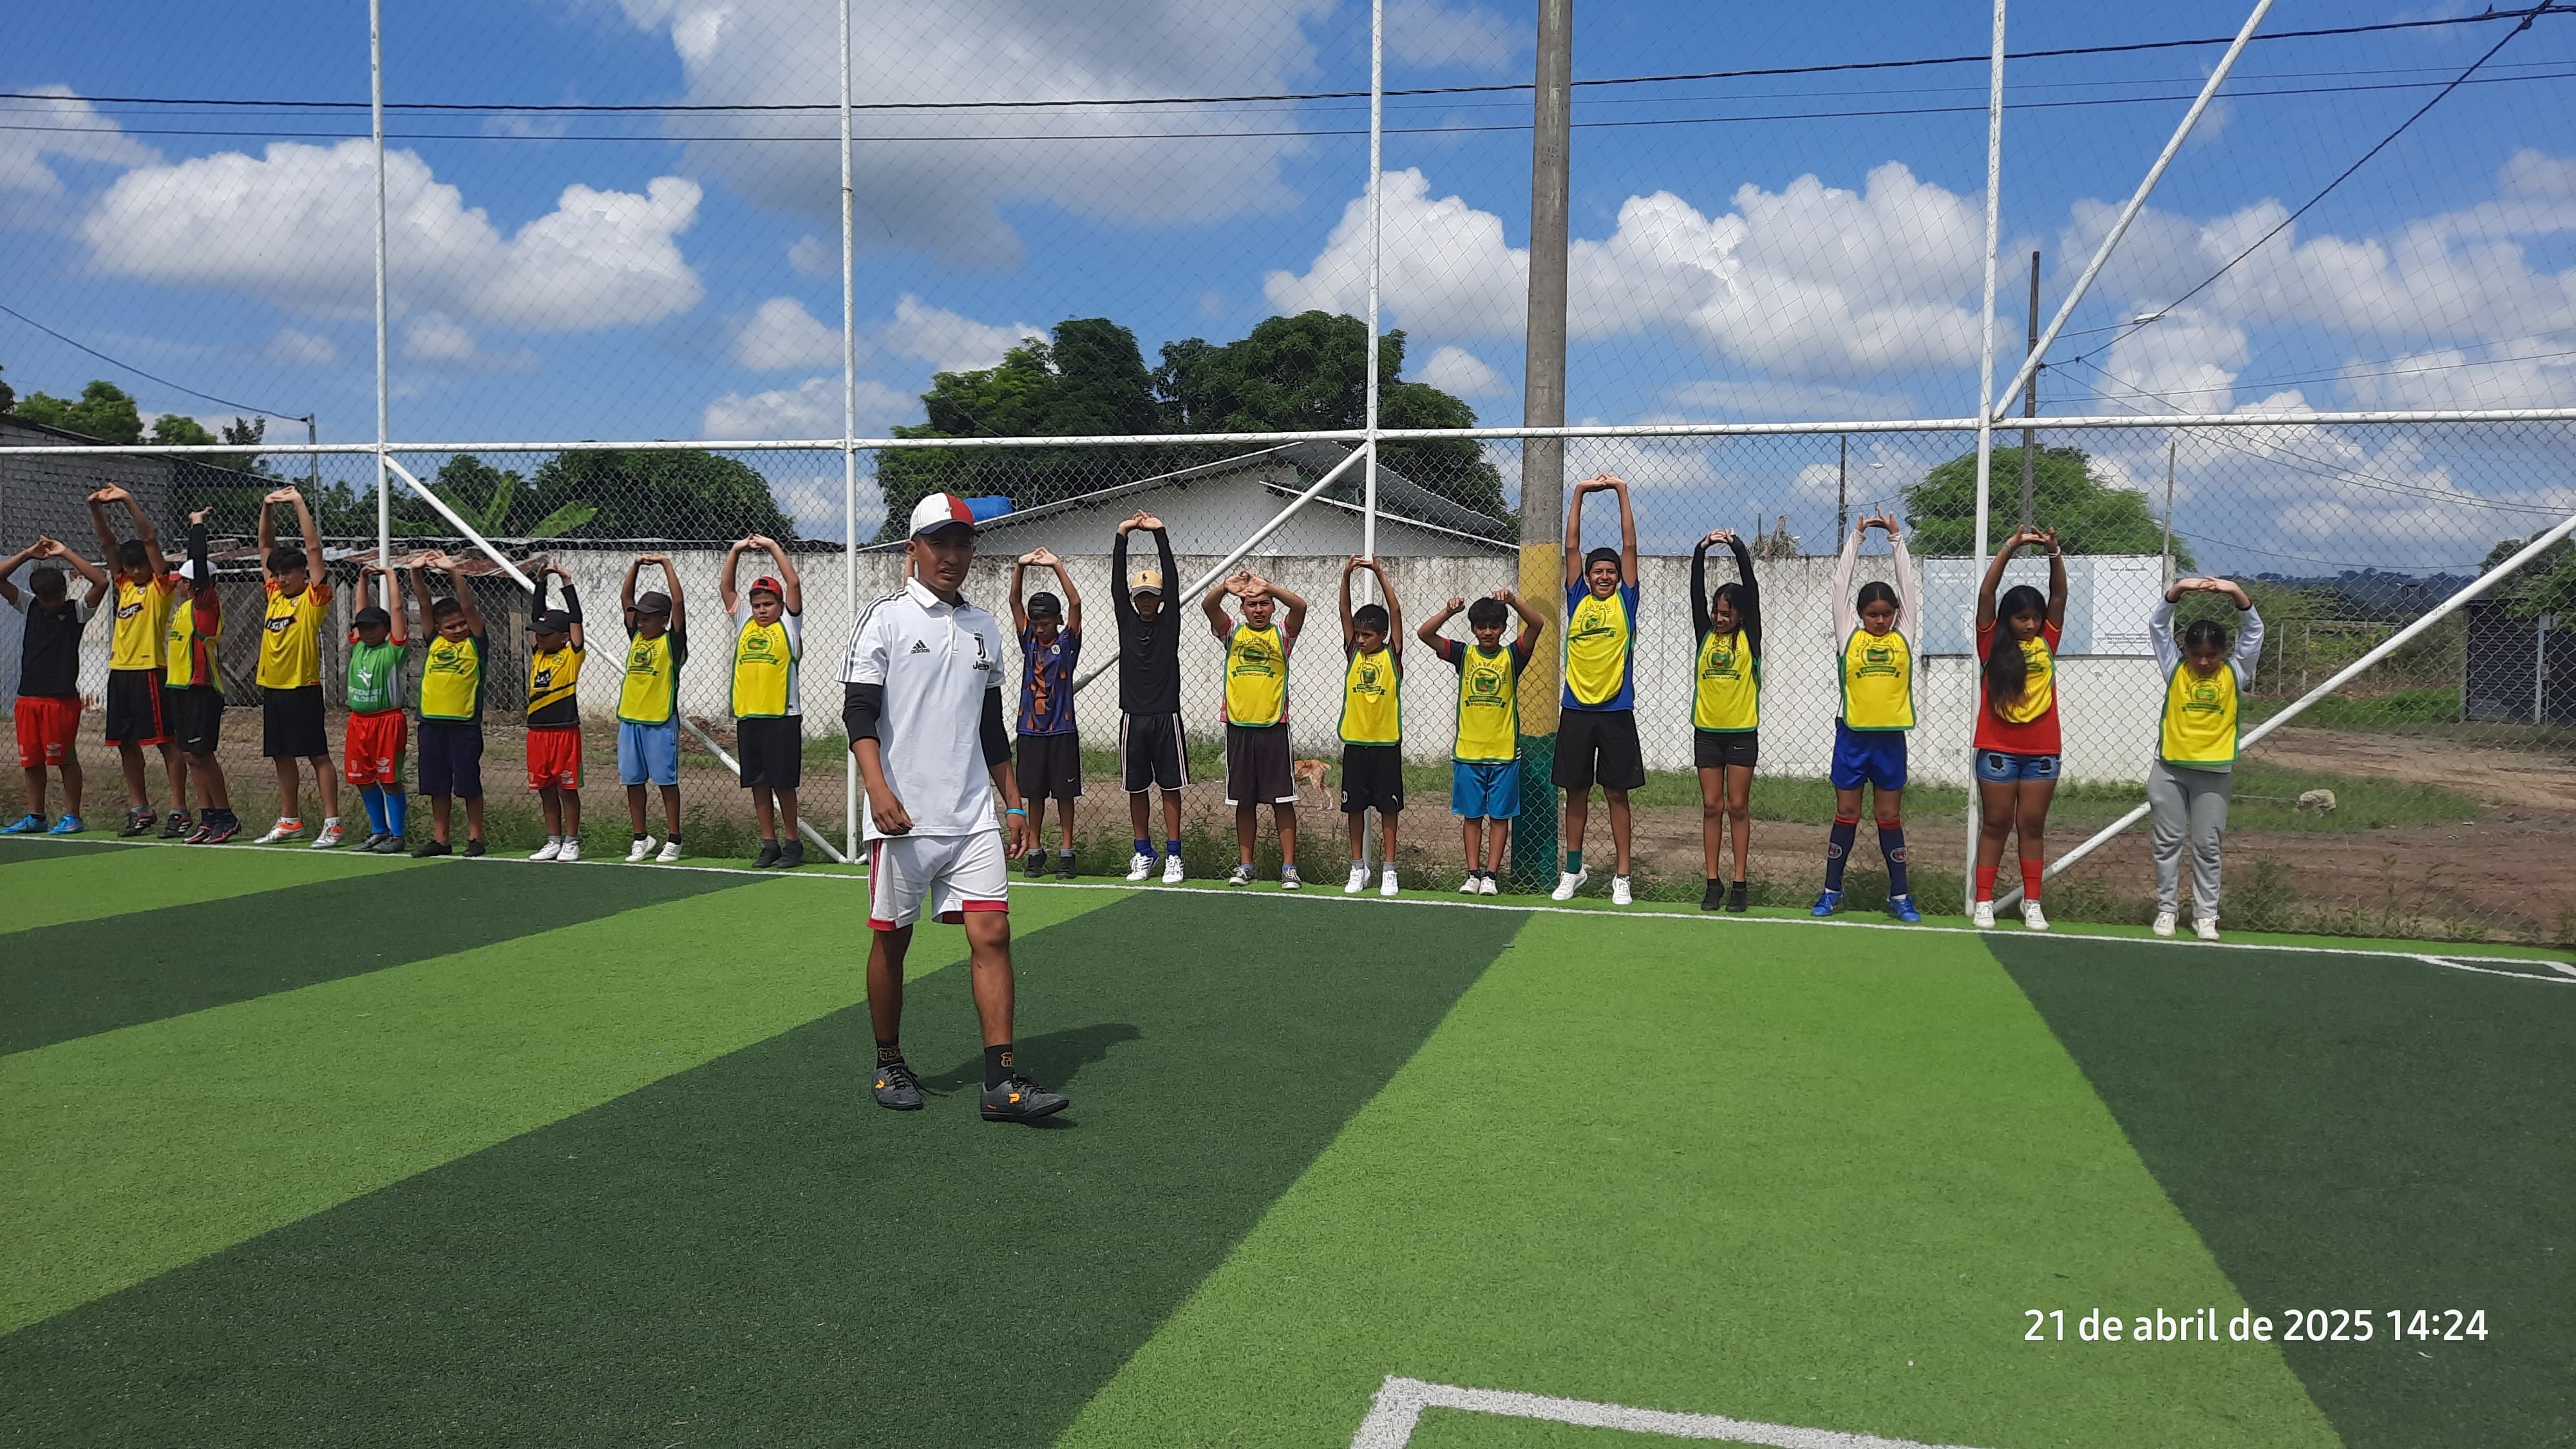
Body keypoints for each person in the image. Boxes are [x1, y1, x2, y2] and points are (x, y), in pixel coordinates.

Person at [844, 491, 1064, 1124]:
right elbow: (858, 712)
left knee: (993, 933)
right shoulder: (883, 618)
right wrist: (877, 790)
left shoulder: (985, 627)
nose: (952, 556)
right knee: (892, 940)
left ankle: (1000, 1084)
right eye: (938, 543)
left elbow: (990, 727)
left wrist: (1013, 804)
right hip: (902, 818)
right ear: (912, 549)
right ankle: (889, 1062)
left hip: (971, 817)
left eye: (962, 544)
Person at [1814, 514, 1922, 923]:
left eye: (1887, 614)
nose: (1880, 620)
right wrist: (1856, 538)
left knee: (1889, 817)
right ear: (1859, 614)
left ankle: (1900, 896)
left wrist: (1896, 539)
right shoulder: (1849, 636)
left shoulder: (1904, 635)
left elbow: (1908, 587)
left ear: (1896, 613)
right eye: (1873, 614)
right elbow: (1839, 585)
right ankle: (1831, 891)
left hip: (1889, 741)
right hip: (1853, 738)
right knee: (1847, 814)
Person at [2149, 577, 2265, 941]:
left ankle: (2206, 916)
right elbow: (2157, 627)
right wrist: (2177, 591)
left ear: (2224, 652)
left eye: (2211, 655)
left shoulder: (2236, 672)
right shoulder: (2174, 668)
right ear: (2184, 650)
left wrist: (2237, 595)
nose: (2203, 661)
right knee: (2167, 843)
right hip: (2169, 769)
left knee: (2207, 846)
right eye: (2196, 654)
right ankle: (2167, 910)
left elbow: (2255, 633)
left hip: (2213, 773)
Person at [1971, 526, 2070, 931]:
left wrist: (2054, 553)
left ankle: (2033, 903)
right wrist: (2010, 548)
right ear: (2007, 619)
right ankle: (1984, 902)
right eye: (2021, 618)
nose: (2030, 625)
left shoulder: (2048, 641)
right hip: (1997, 750)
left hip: (2042, 753)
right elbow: (1986, 594)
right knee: (1996, 824)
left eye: (2035, 619)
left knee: (2031, 825)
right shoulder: (1990, 643)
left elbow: (2059, 596)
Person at [1417, 587, 1544, 895]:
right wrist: (1449, 612)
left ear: (1503, 628)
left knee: (1500, 818)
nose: (1488, 632)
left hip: (1503, 754)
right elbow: (1425, 634)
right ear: (1473, 629)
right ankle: (1473, 874)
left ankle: (1491, 877)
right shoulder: (1464, 654)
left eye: (1494, 627)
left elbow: (1537, 624)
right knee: (1472, 817)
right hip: (1469, 754)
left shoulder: (1513, 656)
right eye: (1482, 627)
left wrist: (1513, 601)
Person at [1554, 473, 1643, 904]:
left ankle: (1623, 875)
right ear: (1587, 577)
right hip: (1576, 709)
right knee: (1576, 792)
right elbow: (1571, 546)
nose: (1605, 576)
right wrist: (1579, 493)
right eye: (1598, 572)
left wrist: (1621, 491)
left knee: (1616, 793)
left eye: (1610, 572)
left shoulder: (1626, 601)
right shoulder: (1578, 599)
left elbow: (1630, 546)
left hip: (1615, 711)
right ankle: (1573, 869)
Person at [87, 486, 189, 838]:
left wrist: (128, 500)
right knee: (125, 743)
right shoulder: (125, 585)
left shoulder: (161, 587)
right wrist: (95, 509)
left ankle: (179, 810)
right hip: (121, 672)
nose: (133, 571)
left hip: (150, 671)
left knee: (165, 742)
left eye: (139, 565)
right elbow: (107, 544)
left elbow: (149, 538)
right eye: (129, 566)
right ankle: (140, 809)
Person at [1206, 566, 1310, 888]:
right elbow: (1209, 606)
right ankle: (1246, 866)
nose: (1259, 609)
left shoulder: (1283, 635)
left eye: (1265, 603)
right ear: (1242, 609)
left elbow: (1300, 607)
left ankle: (1289, 868)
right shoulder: (1232, 633)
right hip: (1239, 727)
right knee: (1244, 800)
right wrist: (1225, 587)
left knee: (1282, 800)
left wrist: (1269, 587)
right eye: (1252, 604)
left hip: (1274, 726)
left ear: (1273, 607)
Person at [253, 486, 344, 848]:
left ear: (303, 572)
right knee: (281, 755)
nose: (281, 579)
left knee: (317, 755)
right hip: (273, 687)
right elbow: (264, 546)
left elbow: (314, 548)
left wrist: (298, 503)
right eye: (277, 574)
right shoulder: (274, 594)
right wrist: (267, 506)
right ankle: (290, 820)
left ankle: (332, 823)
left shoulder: (313, 597)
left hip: (301, 687)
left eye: (288, 573)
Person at [1, 538, 108, 834]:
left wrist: (65, 553)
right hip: (28, 698)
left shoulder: (77, 611)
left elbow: (101, 582)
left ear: (65, 592)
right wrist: (26, 554)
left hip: (60, 701)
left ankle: (72, 816)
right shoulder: (30, 605)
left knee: (65, 759)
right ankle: (35, 816)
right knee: (31, 761)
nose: (49, 604)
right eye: (44, 599)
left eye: (55, 598)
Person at [722, 535, 807, 869]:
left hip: (782, 716)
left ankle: (793, 843)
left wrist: (772, 547)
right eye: (757, 604)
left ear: (780, 605)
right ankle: (769, 844)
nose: (761, 610)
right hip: (750, 716)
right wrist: (736, 550)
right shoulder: (744, 621)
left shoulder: (789, 624)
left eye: (768, 604)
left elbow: (793, 582)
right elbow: (727, 588)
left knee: (783, 784)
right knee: (758, 784)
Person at [1112, 512, 1188, 884]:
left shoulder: (1168, 621)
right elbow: (1116, 584)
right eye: (1141, 596)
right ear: (1133, 599)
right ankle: (1143, 851)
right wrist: (1122, 534)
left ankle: (1174, 854)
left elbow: (1171, 581)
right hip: (1134, 716)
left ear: (1159, 600)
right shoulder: (1126, 620)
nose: (1146, 601)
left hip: (1166, 715)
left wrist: (1160, 534)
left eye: (1152, 596)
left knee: (1170, 787)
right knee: (1136, 787)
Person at [1690, 527, 1762, 913]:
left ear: (1741, 614)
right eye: (1716, 612)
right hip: (1707, 734)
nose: (1719, 618)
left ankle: (1740, 884)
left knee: (1737, 806)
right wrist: (1701, 551)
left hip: (1741, 735)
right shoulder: (1705, 634)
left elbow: (1751, 587)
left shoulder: (1751, 637)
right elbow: (1695, 593)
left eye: (1726, 613)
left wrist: (1737, 548)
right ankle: (1712, 883)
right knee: (1711, 806)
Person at [404, 554, 489, 858]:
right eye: (450, 626)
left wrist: (454, 572)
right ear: (439, 629)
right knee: (436, 785)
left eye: (461, 624)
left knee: (467, 783)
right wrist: (416, 572)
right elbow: (424, 603)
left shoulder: (475, 643)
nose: (458, 629)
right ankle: (441, 840)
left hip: (464, 725)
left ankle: (476, 838)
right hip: (431, 723)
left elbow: (469, 607)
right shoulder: (434, 641)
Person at [164, 510, 240, 844]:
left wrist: (197, 525)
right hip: (180, 689)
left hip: (201, 689)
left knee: (203, 755)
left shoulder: (205, 606)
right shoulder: (183, 608)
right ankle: (208, 818)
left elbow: (199, 560)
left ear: (193, 583)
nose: (177, 585)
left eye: (182, 580)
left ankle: (226, 816)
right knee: (190, 756)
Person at [1009, 545, 1083, 880]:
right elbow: (1014, 602)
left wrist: (1056, 565)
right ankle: (1035, 852)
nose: (1040, 628)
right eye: (1036, 623)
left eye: (1046, 623)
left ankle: (1067, 853)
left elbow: (1075, 603)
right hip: (1031, 730)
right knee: (1035, 794)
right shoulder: (1029, 643)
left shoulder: (1067, 644)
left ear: (1058, 621)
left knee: (1065, 795)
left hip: (1062, 731)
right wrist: (1020, 566)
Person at [1336, 556, 1405, 896]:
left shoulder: (1392, 655)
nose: (1361, 640)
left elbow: (1396, 610)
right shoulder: (1353, 653)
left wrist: (1378, 571)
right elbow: (1344, 610)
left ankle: (1389, 869)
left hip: (1386, 745)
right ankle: (1358, 868)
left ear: (1383, 636)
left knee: (1388, 809)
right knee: (1354, 808)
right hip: (1355, 744)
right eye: (1359, 635)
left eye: (1367, 635)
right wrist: (1347, 575)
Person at [617, 553, 688, 864]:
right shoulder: (636, 637)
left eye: (648, 618)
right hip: (630, 721)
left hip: (660, 722)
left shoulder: (672, 643)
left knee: (666, 782)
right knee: (633, 781)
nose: (641, 622)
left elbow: (679, 603)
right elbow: (626, 599)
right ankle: (641, 838)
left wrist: (665, 564)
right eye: (639, 617)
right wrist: (635, 566)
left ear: (664, 620)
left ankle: (674, 839)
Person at [342, 563, 412, 855]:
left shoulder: (394, 650)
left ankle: (397, 834)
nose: (367, 633)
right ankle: (378, 831)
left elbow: (397, 610)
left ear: (386, 629)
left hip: (387, 722)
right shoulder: (359, 646)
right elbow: (359, 609)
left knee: (390, 780)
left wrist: (391, 576)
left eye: (373, 628)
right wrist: (362, 579)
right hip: (359, 722)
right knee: (363, 779)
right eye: (363, 628)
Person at [525, 564, 586, 862]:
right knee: (545, 789)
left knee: (566, 789)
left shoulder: (572, 654)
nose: (539, 638)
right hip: (537, 734)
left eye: (546, 634)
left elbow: (576, 618)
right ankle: (553, 840)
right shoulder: (538, 653)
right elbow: (536, 616)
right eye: (538, 633)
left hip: (564, 732)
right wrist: (540, 583)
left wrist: (566, 582)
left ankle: (572, 841)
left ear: (564, 637)